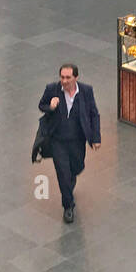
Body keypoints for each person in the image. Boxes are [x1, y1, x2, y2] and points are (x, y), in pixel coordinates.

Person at [38, 64, 102, 224]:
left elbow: (94, 114)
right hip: (57, 140)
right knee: (63, 173)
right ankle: (68, 206)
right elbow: (41, 105)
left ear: (76, 78)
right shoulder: (52, 89)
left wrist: (96, 137)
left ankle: (69, 183)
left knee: (76, 167)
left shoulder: (86, 91)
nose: (64, 81)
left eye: (68, 77)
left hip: (77, 140)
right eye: (62, 77)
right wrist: (50, 107)